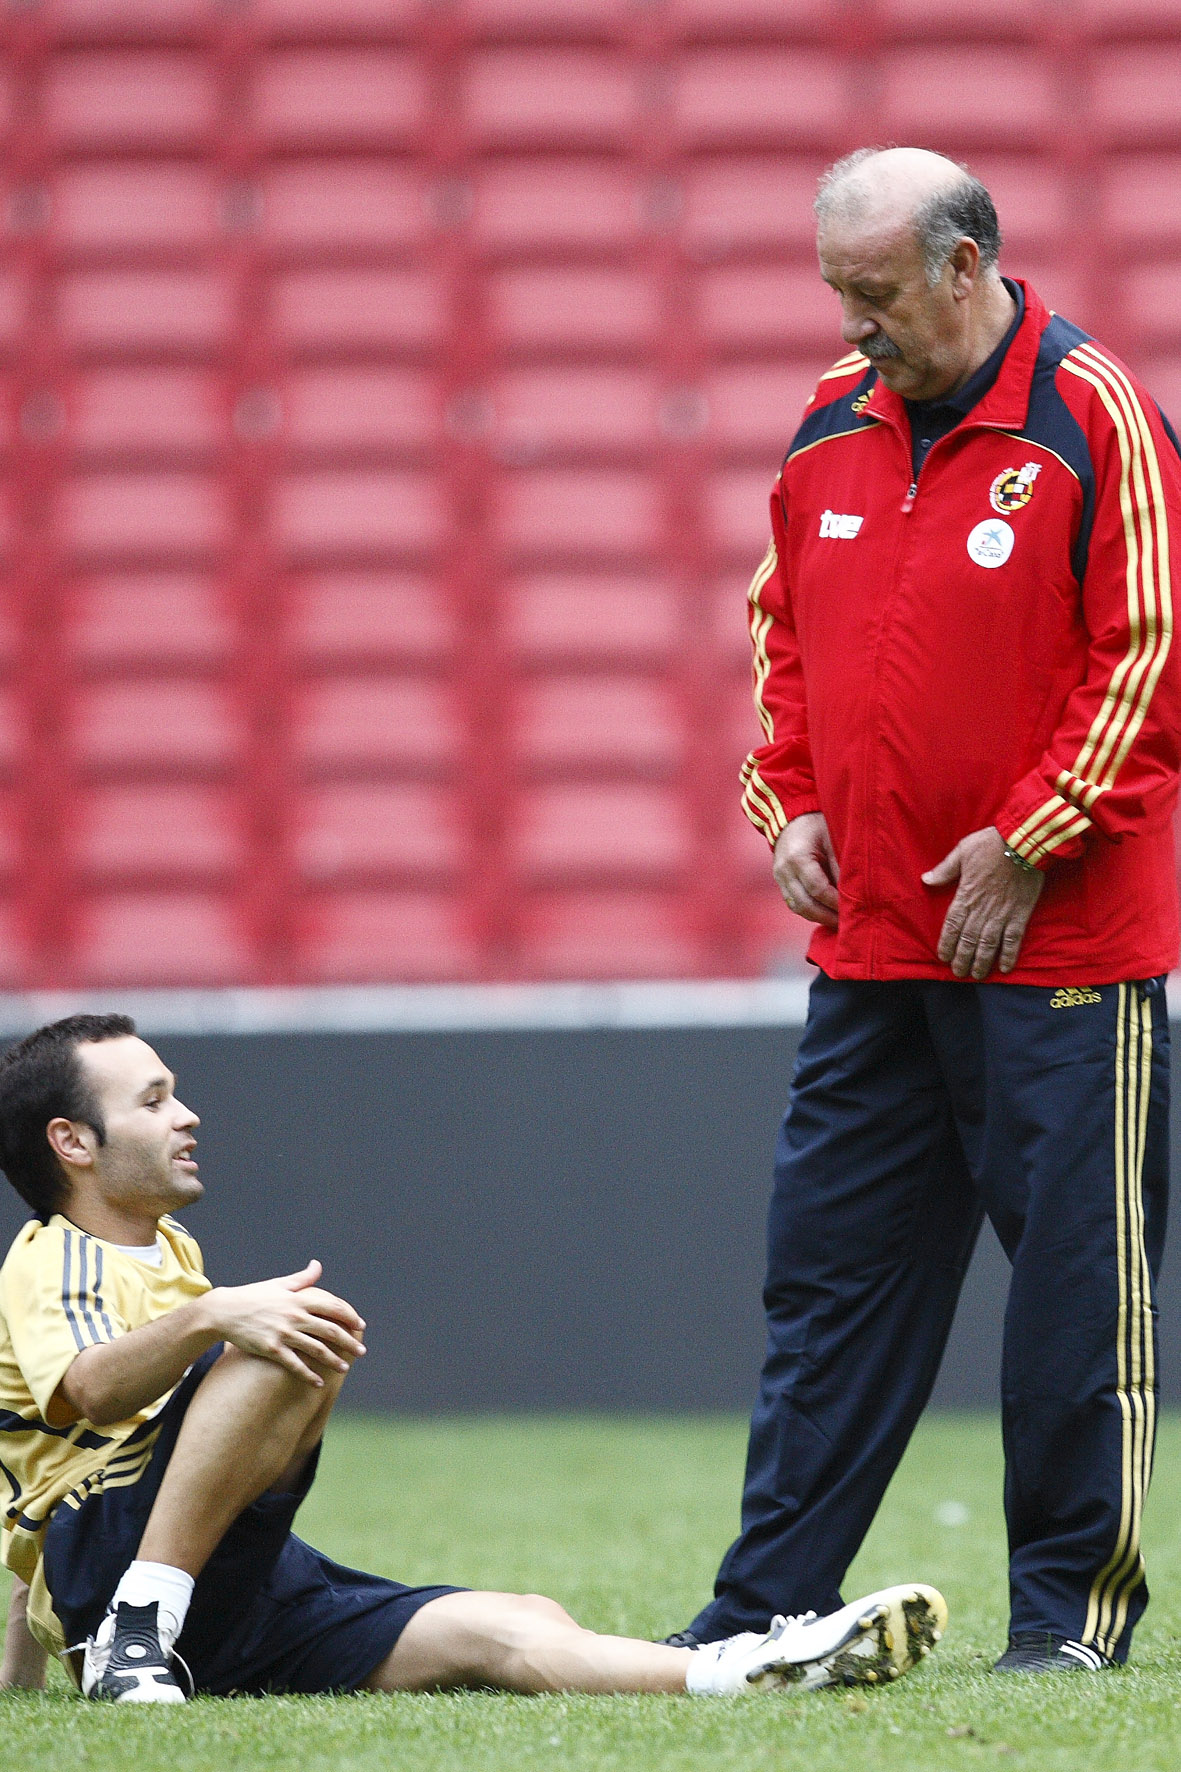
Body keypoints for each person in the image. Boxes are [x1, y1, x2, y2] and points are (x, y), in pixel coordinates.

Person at [668, 148, 1181, 1674]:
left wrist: (1031, 838)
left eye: (876, 292)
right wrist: (791, 804)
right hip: (873, 953)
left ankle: (1067, 1623)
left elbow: (1149, 656)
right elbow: (781, 638)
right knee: (825, 1288)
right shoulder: (831, 419)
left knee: (1077, 1307)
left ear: (964, 269)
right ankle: (761, 1604)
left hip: (1064, 961)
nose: (853, 320)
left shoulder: (1095, 417)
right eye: (838, 289)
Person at [0, 1013, 947, 1702]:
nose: (187, 1116)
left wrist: (21, 1673)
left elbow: (28, 1481)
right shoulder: (53, 1259)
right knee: (288, 1330)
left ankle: (750, 1669)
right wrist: (215, 1316)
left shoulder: (167, 1255)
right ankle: (140, 1627)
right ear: (72, 1142)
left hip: (225, 1574)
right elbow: (80, 1394)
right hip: (122, 1572)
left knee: (514, 1625)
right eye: (156, 1100)